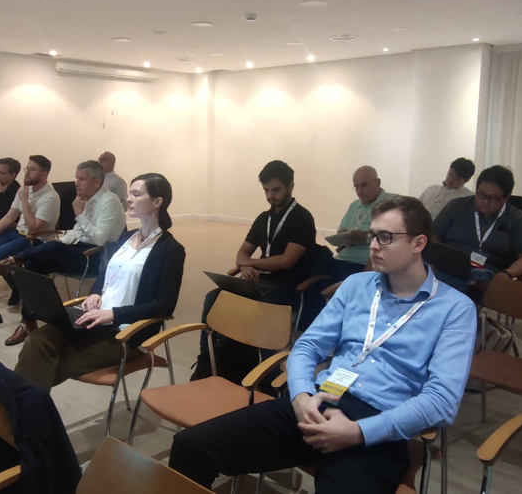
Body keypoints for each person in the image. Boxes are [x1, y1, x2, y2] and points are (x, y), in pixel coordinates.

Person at [169, 196, 477, 494]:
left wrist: (358, 432)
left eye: (385, 237)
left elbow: (442, 400)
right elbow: (307, 347)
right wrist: (301, 396)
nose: (373, 245)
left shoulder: (454, 309)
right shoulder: (356, 286)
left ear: (418, 243)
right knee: (190, 447)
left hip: (377, 426)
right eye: (372, 236)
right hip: (318, 401)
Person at [13, 173, 185, 390]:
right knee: (37, 339)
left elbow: (165, 305)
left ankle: (19, 406)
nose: (129, 199)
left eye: (136, 194)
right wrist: (95, 293)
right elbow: (106, 275)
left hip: (125, 332)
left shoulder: (170, 249)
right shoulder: (127, 237)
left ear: (157, 202)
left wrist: (114, 314)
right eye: (130, 193)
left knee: (59, 360)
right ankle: (23, 406)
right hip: (94, 319)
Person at [191, 160, 318, 380]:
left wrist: (251, 263)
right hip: (261, 282)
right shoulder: (263, 219)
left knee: (259, 309)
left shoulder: (302, 218)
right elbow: (242, 253)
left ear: (291, 186)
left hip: (290, 287)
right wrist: (245, 264)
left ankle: (270, 374)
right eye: (266, 190)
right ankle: (208, 360)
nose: (270, 196)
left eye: (276, 190)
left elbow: (286, 261)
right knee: (214, 297)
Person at [0, 160, 124, 346]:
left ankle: (16, 258)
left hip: (95, 256)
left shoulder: (109, 201)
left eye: (82, 179)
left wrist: (79, 214)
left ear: (96, 182)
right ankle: (28, 322)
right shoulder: (86, 199)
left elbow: (100, 239)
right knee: (32, 265)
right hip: (77, 249)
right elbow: (78, 232)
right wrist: (60, 242)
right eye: (76, 178)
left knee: (52, 249)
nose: (76, 183)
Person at [431, 165, 522, 298]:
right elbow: (433, 235)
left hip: (485, 271)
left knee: (478, 283)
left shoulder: (517, 219)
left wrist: (506, 274)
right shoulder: (456, 206)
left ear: (506, 197)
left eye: (493, 198)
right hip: (451, 265)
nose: (486, 201)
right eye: (481, 195)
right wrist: (439, 258)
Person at [0, 155, 60, 305]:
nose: (27, 173)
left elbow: (33, 229)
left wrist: (25, 200)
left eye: (32, 170)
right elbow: (8, 218)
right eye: (27, 169)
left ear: (44, 174)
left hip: (35, 238)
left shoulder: (50, 197)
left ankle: (21, 288)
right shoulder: (24, 190)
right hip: (17, 233)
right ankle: (20, 287)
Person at [329, 166, 396, 281]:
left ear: (378, 183)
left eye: (364, 185)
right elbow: (341, 236)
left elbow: (395, 237)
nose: (359, 190)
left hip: (366, 263)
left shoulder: (393, 203)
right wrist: (344, 235)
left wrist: (365, 237)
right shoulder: (355, 205)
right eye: (356, 186)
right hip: (343, 258)